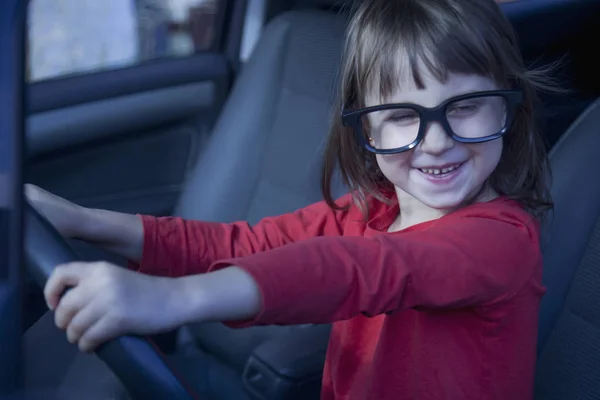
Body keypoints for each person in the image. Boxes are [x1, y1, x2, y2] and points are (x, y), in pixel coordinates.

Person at [26, 0, 555, 398]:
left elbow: (361, 269)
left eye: (466, 107)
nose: (437, 139)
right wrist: (81, 221)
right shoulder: (374, 209)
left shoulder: (500, 242)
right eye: (401, 116)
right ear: (364, 128)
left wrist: (169, 299)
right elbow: (250, 243)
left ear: (509, 107)